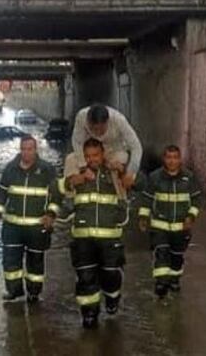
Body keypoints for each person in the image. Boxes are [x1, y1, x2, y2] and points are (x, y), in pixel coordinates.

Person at [62, 138, 129, 329]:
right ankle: (89, 314)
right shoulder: (78, 177)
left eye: (96, 155)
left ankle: (112, 298)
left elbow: (138, 185)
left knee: (111, 276)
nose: (92, 159)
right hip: (83, 241)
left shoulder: (114, 174)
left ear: (103, 154)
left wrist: (123, 172)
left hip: (110, 240)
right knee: (85, 278)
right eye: (88, 156)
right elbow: (58, 191)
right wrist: (71, 181)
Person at [0, 136, 60, 303]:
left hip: (37, 227)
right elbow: (1, 192)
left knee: (35, 263)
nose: (26, 153)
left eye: (30, 149)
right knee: (10, 261)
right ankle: (14, 291)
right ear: (20, 150)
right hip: (12, 226)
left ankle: (34, 293)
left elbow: (56, 195)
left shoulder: (46, 170)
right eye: (23, 149)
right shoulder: (10, 169)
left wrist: (50, 214)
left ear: (36, 150)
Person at [137, 145, 202, 298]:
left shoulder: (189, 178)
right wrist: (143, 217)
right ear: (164, 159)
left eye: (175, 157)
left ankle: (174, 279)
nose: (172, 161)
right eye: (169, 157)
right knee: (161, 253)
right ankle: (161, 284)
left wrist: (191, 216)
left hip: (181, 228)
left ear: (180, 159)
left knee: (176, 257)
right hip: (160, 227)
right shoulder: (154, 178)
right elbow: (146, 199)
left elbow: (197, 199)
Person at [66, 104, 143, 194]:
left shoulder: (119, 120)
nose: (98, 133)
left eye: (101, 129)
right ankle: (71, 196)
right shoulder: (81, 117)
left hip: (112, 150)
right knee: (71, 159)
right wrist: (83, 166)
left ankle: (121, 197)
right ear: (88, 122)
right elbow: (77, 142)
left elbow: (136, 147)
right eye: (94, 129)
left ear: (107, 122)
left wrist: (130, 172)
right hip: (91, 150)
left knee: (121, 159)